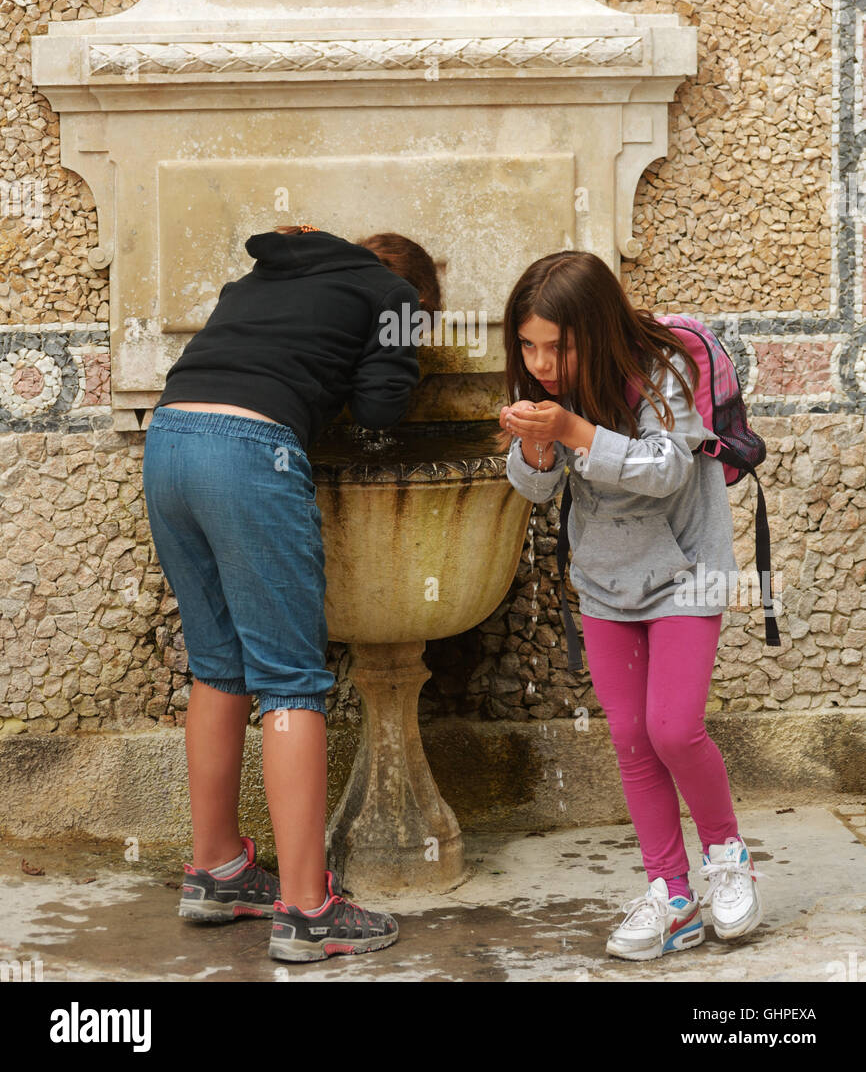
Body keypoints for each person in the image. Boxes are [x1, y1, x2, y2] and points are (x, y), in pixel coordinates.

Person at [141, 223, 438, 963]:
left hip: (171, 439)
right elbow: (378, 409)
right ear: (419, 293)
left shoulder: (269, 277)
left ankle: (217, 870)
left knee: (220, 664)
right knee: (290, 680)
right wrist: (396, 361)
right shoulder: (396, 296)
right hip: (250, 453)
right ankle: (309, 910)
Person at [498, 249, 764, 962]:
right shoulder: (553, 392)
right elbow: (535, 491)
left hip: (688, 573)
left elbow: (668, 468)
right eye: (528, 345)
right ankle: (672, 896)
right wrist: (537, 449)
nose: (542, 361)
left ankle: (727, 857)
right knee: (633, 741)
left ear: (597, 328)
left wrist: (575, 432)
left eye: (558, 345)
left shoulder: (660, 373)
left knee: (674, 729)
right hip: (607, 585)